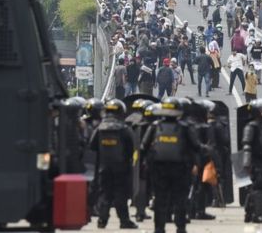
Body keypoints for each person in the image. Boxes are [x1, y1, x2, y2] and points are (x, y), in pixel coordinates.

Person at [141, 97, 209, 233]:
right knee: (180, 200)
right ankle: (180, 227)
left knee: (160, 199)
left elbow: (144, 147)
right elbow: (196, 146)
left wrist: (146, 164)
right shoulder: (185, 127)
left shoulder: (155, 126)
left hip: (159, 169)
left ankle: (159, 228)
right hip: (180, 169)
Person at [89, 99, 138, 229]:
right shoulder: (124, 129)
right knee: (120, 194)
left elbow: (92, 146)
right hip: (121, 167)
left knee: (105, 193)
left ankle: (102, 220)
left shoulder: (100, 128)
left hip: (103, 167)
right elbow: (132, 147)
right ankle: (124, 220)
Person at [241, 99, 262, 223]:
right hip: (256, 161)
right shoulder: (252, 126)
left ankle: (249, 213)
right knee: (258, 187)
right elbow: (247, 145)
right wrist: (247, 163)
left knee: (257, 187)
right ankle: (258, 215)